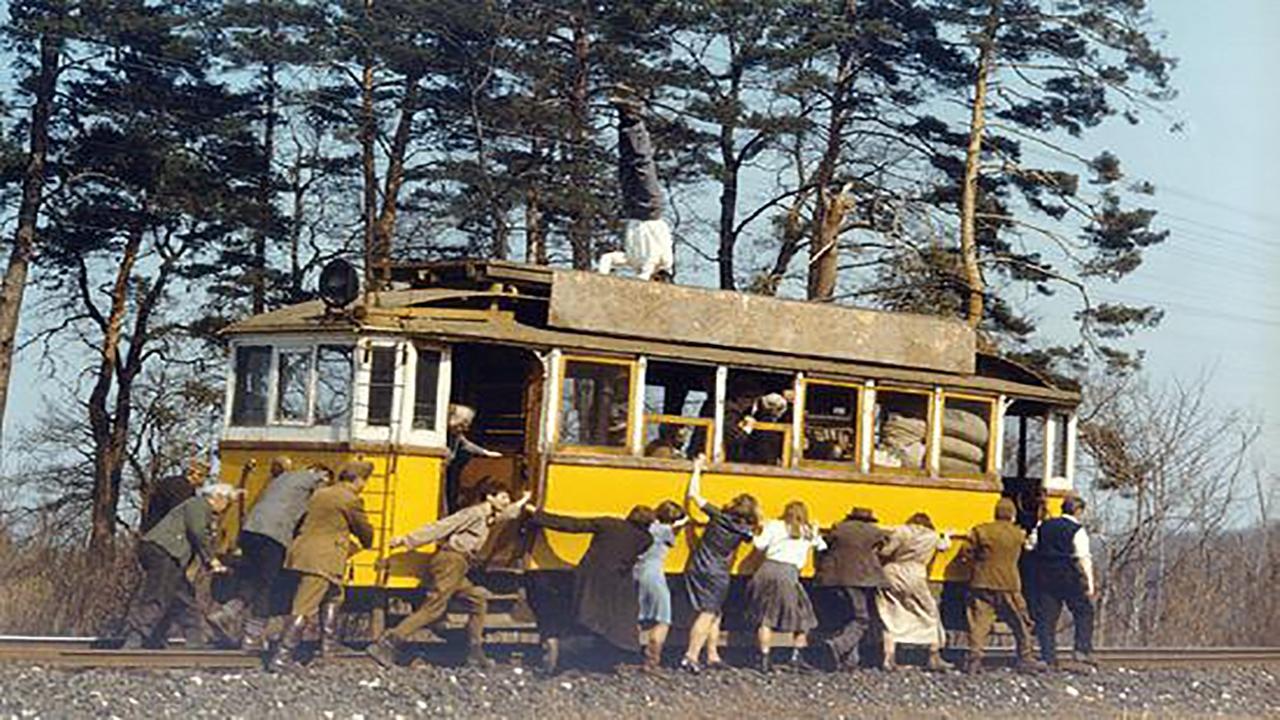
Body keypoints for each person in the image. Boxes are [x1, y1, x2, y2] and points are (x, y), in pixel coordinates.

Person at [366, 480, 532, 669]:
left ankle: (474, 652)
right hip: (450, 562)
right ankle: (388, 643)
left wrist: (524, 500)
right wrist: (407, 539)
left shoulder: (489, 516)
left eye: (508, 498)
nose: (506, 501)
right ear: (489, 497)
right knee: (434, 608)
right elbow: (442, 526)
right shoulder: (473, 513)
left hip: (458, 565)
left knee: (477, 600)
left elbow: (508, 514)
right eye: (503, 497)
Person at [208, 457, 324, 653]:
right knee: (267, 585)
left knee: (252, 578)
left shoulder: (282, 480)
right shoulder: (313, 480)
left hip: (249, 531)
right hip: (273, 536)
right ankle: (252, 637)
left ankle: (226, 613)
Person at [269, 461, 375, 670]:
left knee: (334, 597)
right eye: (364, 481)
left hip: (304, 552)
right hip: (323, 558)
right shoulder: (350, 499)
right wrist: (367, 541)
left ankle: (328, 650)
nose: (364, 485)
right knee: (305, 605)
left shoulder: (318, 493)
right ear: (358, 480)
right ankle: (281, 657)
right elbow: (364, 530)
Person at [529, 504, 656, 674]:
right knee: (612, 624)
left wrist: (538, 515)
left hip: (588, 576)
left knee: (583, 614)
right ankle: (572, 652)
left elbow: (572, 525)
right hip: (615, 584)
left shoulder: (608, 523)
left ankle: (561, 650)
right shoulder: (646, 540)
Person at [117, 483, 239, 649]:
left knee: (184, 597)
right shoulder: (198, 505)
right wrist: (211, 560)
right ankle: (134, 639)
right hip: (164, 552)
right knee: (158, 595)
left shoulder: (199, 508)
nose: (227, 507)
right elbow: (197, 533)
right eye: (228, 502)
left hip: (170, 555)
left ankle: (195, 640)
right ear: (218, 497)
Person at [680, 455, 760, 673]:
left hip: (697, 566)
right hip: (717, 573)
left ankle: (712, 655)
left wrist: (697, 469)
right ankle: (691, 656)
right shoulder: (744, 531)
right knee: (708, 613)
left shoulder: (717, 516)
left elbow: (693, 495)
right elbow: (759, 540)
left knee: (714, 612)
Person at [597, 93, 674, 282]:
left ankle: (624, 118)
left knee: (626, 164)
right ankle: (634, 118)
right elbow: (653, 258)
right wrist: (644, 276)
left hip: (632, 211)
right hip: (650, 211)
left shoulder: (633, 262)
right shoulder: (665, 262)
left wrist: (601, 277)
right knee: (641, 165)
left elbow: (609, 258)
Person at [964, 497, 1046, 674]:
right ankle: (1026, 657)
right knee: (1020, 622)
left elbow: (967, 552)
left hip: (982, 582)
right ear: (1012, 515)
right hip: (1009, 584)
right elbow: (1030, 548)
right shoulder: (1018, 534)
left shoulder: (981, 530)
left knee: (980, 623)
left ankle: (974, 659)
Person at [747, 501, 827, 673]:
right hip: (788, 574)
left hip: (766, 569)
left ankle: (764, 659)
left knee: (765, 617)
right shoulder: (807, 531)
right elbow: (822, 547)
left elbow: (759, 545)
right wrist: (816, 531)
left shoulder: (775, 525)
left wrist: (756, 530)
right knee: (804, 617)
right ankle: (796, 657)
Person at [814, 506, 890, 671]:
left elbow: (826, 543)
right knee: (861, 619)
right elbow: (884, 548)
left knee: (849, 617)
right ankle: (838, 646)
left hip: (833, 577)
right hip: (861, 578)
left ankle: (850, 660)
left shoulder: (839, 527)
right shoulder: (874, 531)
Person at [1027, 495, 1096, 668]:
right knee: (1084, 611)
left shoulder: (1043, 525)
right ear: (1078, 511)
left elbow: (1030, 546)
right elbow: (1083, 557)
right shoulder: (1077, 530)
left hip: (1044, 575)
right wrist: (1089, 583)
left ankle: (1048, 657)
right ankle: (1081, 649)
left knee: (1046, 619)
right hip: (1068, 575)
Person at [876, 512, 951, 671]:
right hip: (916, 574)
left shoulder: (901, 531)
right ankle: (934, 654)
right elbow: (944, 546)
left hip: (892, 573)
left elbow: (886, 552)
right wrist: (946, 536)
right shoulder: (932, 536)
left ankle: (889, 657)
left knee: (889, 613)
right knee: (930, 612)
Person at [635, 500, 688, 672]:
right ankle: (652, 661)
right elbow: (684, 521)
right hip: (654, 574)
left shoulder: (646, 527)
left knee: (639, 615)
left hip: (637, 572)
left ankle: (627, 650)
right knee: (663, 618)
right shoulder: (666, 531)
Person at [446, 404, 501, 513]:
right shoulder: (443, 432)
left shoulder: (457, 435)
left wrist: (486, 452)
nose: (465, 428)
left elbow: (466, 444)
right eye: (463, 423)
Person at [141, 458, 210, 533]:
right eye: (204, 476)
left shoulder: (170, 482)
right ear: (196, 474)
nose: (204, 481)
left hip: (152, 530)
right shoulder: (183, 489)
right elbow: (180, 514)